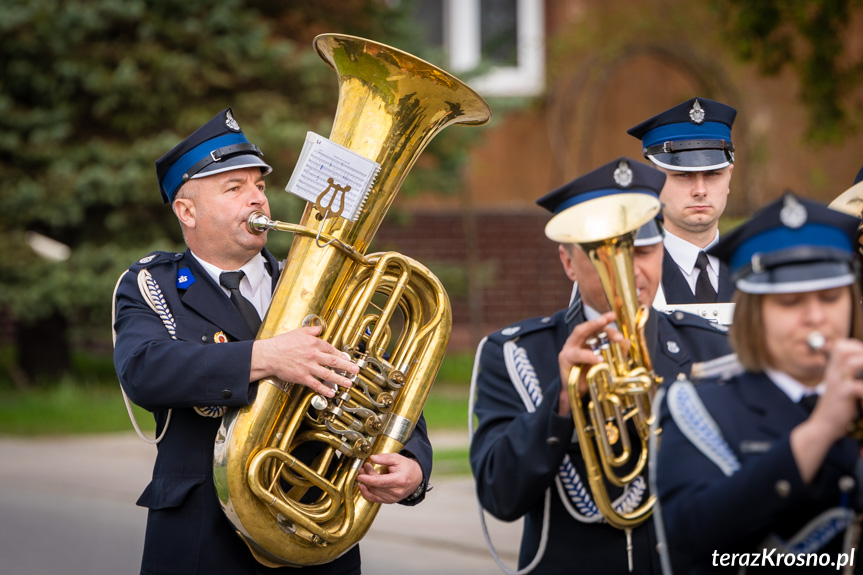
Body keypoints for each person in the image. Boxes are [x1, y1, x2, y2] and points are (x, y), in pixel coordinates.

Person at [112, 108, 432, 575]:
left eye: (259, 185)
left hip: (315, 531)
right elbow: (144, 370)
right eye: (234, 188)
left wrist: (413, 462)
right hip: (201, 540)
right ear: (187, 210)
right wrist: (265, 358)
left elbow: (390, 385)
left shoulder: (319, 288)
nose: (257, 200)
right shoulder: (152, 285)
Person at [469, 157, 731, 574]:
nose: (632, 272)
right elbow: (500, 496)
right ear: (568, 262)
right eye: (608, 256)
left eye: (644, 251)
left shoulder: (712, 346)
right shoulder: (515, 354)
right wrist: (560, 403)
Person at [655, 192, 863, 574]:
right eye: (790, 303)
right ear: (755, 315)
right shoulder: (699, 406)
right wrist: (818, 432)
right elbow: (689, 540)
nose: (816, 317)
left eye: (831, 297)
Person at [627, 97, 737, 306]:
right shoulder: (623, 273)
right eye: (683, 175)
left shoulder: (755, 272)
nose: (700, 190)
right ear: (654, 180)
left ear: (729, 176)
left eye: (713, 174)